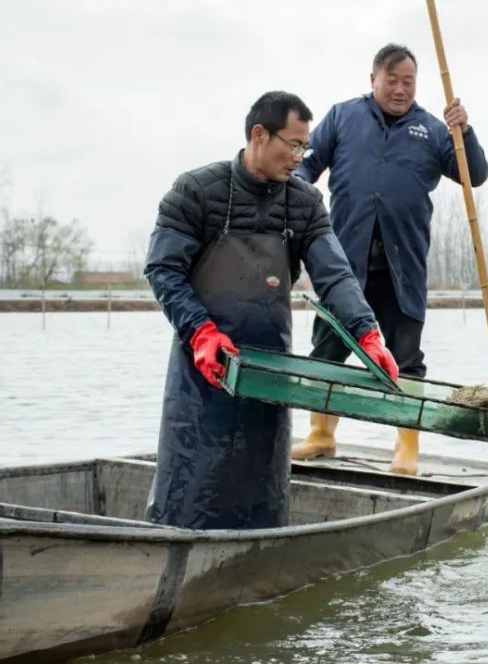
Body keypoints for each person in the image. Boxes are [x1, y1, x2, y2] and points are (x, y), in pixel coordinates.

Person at [144, 91, 398, 530]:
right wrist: (201, 332)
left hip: (270, 375)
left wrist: (367, 333)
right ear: (259, 134)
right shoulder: (195, 192)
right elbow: (163, 270)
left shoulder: (304, 204)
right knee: (188, 497)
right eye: (294, 144)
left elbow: (334, 275)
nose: (301, 157)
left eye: (306, 147)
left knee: (262, 502)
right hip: (202, 375)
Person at [292, 43, 488, 474]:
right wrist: (294, 190)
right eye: (392, 80)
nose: (400, 89)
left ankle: (407, 448)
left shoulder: (434, 131)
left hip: (404, 266)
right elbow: (307, 165)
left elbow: (474, 174)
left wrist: (464, 132)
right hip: (344, 265)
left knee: (406, 359)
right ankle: (321, 436)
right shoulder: (344, 116)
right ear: (373, 80)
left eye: (408, 82)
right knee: (327, 350)